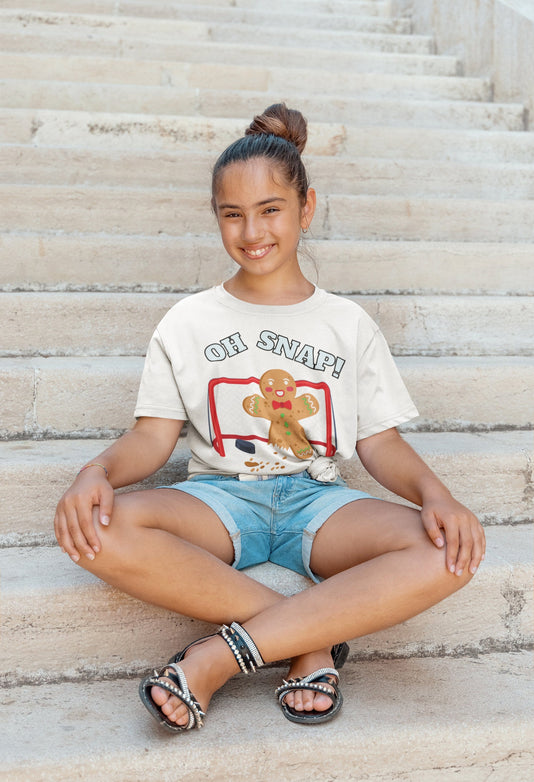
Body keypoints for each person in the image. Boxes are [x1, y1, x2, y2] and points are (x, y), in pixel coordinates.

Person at [54, 103, 485, 732]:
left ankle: (224, 654)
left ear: (306, 208)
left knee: (449, 550)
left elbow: (379, 441)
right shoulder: (189, 321)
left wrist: (437, 496)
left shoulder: (346, 323)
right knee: (95, 524)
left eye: (270, 210)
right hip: (221, 500)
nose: (251, 231)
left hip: (319, 503)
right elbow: (152, 439)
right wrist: (95, 472)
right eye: (233, 214)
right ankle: (310, 640)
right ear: (217, 219)